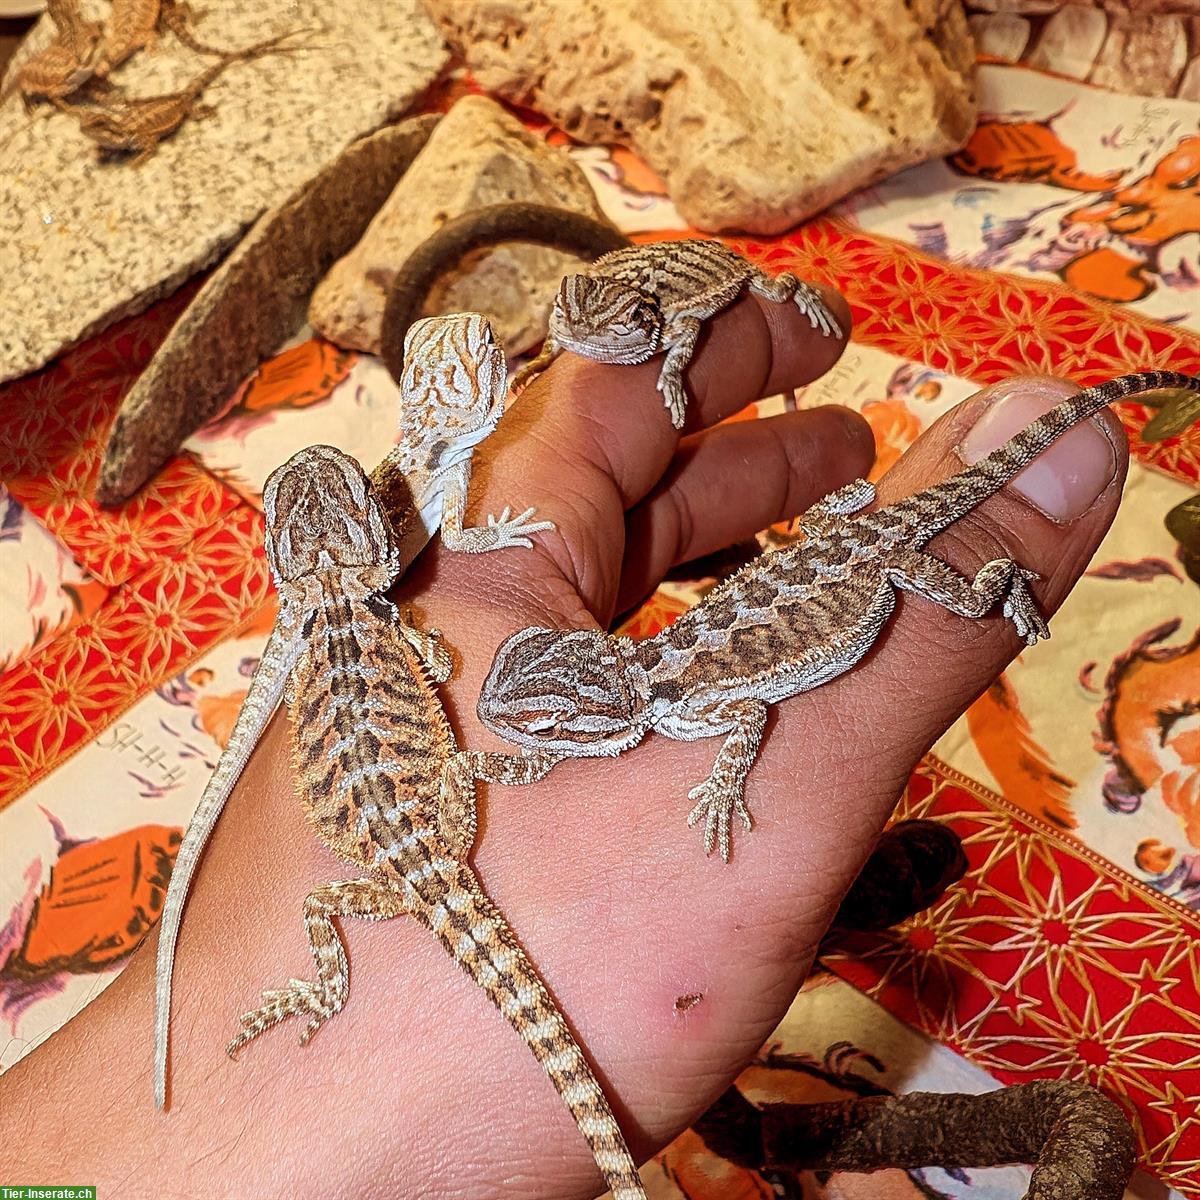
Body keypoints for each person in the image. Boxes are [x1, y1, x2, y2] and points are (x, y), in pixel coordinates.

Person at [0, 281, 1126, 1197]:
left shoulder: (408, 643)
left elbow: (458, 691)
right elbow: (450, 686)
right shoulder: (413, 647)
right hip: (430, 824)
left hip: (414, 838)